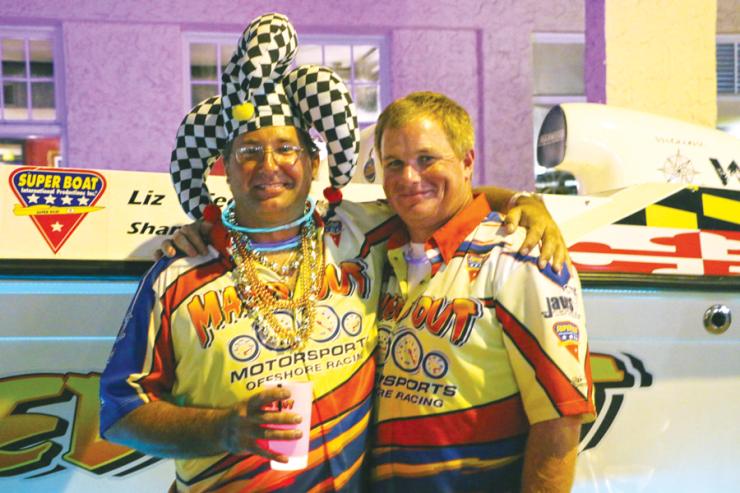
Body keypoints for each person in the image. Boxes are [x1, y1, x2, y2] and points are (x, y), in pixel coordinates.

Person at [100, 14, 571, 493]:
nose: (269, 167)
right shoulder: (180, 270)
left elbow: (438, 197)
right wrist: (224, 429)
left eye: (286, 148)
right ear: (225, 164)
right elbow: (120, 414)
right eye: (248, 152)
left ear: (311, 161)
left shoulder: (358, 230)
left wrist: (519, 201)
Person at [370, 92, 595, 493]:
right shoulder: (379, 248)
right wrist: (517, 196)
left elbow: (560, 417)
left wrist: (524, 202)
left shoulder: (523, 256)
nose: (409, 177)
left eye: (427, 159)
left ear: (467, 161)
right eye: (394, 164)